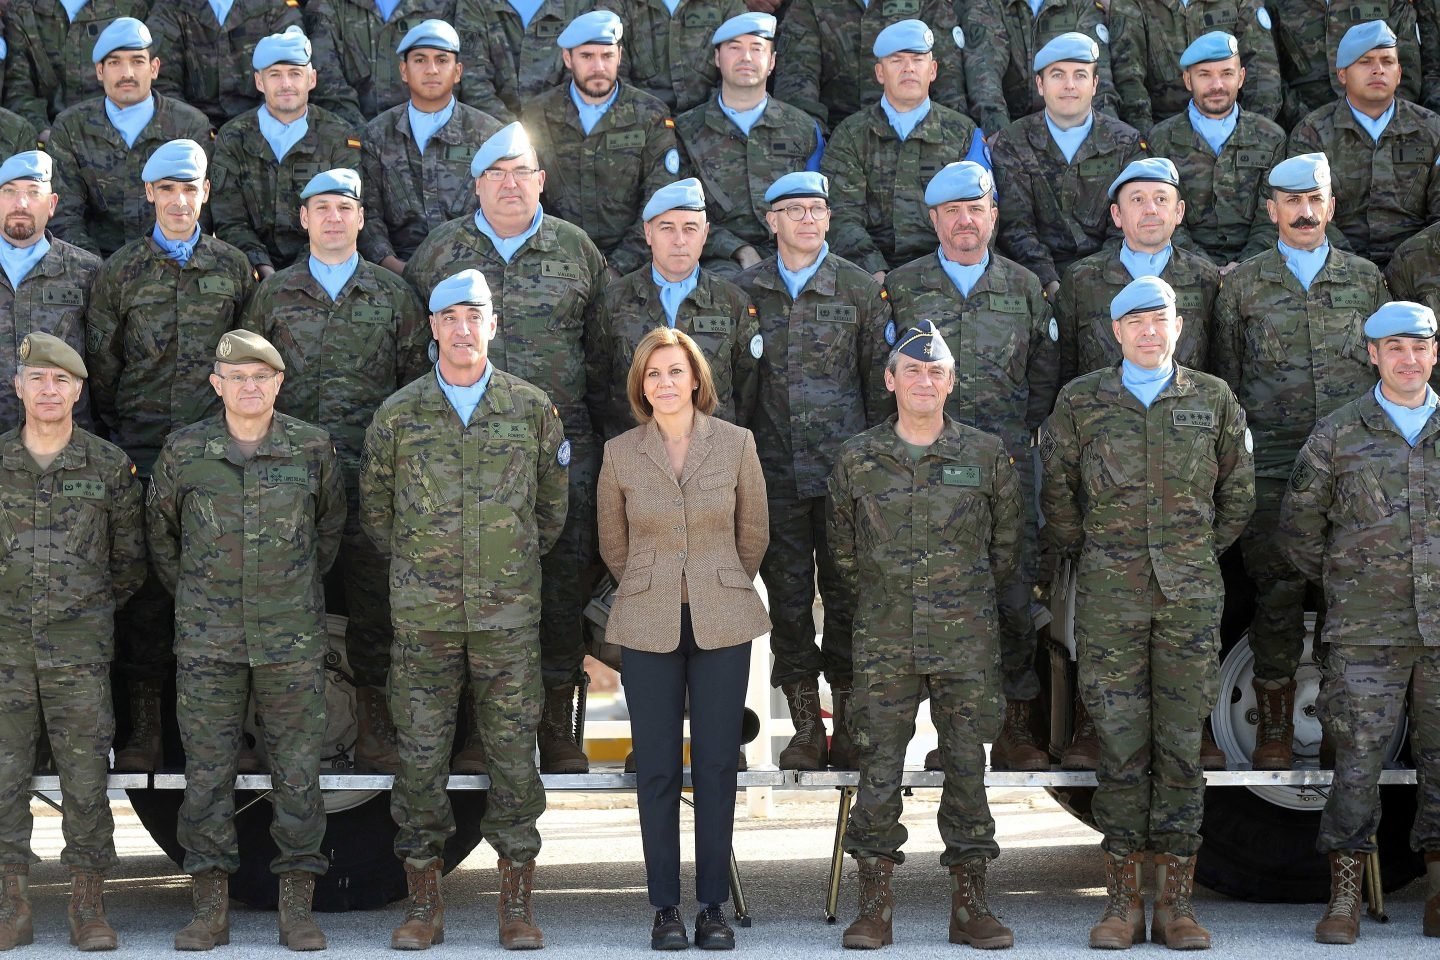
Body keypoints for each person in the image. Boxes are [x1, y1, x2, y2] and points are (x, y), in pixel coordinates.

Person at [1041, 276, 1254, 950]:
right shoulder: (1080, 402)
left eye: (1159, 320)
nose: (1149, 332)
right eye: (1135, 322)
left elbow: (1238, 496)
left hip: (1189, 597)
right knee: (1122, 748)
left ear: (1179, 326)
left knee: (1182, 748)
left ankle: (1179, 908)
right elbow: (1059, 497)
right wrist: (1102, 552)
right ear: (1115, 331)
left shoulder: (1213, 399)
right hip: (1111, 596)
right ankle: (1122, 906)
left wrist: (1190, 552)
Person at [360, 268, 567, 951]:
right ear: (432, 328)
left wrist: (498, 565)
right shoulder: (399, 415)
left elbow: (550, 512)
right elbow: (378, 516)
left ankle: (516, 906)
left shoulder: (531, 408)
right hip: (424, 620)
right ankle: (423, 905)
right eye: (449, 316)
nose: (462, 327)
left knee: (512, 758)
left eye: (474, 315)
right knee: (419, 760)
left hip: (507, 620)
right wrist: (431, 568)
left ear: (492, 325)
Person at [405, 121, 605, 775]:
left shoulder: (576, 249)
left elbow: (601, 354)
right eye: (496, 174)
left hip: (560, 450)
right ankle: (472, 732)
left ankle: (554, 725)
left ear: (540, 181)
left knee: (558, 589)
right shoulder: (443, 251)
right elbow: (414, 349)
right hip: (463, 452)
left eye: (521, 172)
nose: (510, 185)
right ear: (477, 184)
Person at [147, 329, 345, 952]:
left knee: (298, 772)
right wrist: (205, 601)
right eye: (238, 377)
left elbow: (329, 532)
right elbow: (161, 540)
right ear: (218, 384)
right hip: (209, 641)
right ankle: (210, 908)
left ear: (279, 384)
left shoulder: (312, 449)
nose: (250, 386)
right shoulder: (186, 452)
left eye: (262, 376)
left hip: (291, 638)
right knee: (207, 774)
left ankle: (297, 908)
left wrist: (289, 594)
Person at [829, 319, 1022, 950]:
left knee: (969, 768)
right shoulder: (858, 459)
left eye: (935, 371)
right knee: (878, 771)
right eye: (911, 370)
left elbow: (1004, 550)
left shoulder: (986, 455)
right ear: (889, 381)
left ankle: (971, 908)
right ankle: (874, 910)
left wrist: (953, 598)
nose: (923, 380)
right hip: (885, 638)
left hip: (965, 640)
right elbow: (843, 554)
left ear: (951, 382)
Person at [240, 167, 430, 773]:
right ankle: (282, 727)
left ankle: (373, 720)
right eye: (320, 208)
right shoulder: (272, 297)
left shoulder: (392, 295)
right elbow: (248, 385)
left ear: (359, 219)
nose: (332, 218)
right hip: (288, 483)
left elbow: (412, 389)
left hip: (371, 478)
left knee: (375, 606)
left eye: (343, 208)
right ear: (303, 219)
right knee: (291, 607)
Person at [1210, 152, 1389, 769]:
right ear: (1272, 210)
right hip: (1275, 465)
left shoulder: (1366, 281)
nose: (1305, 212)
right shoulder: (1242, 285)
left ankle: (1343, 726)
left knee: (1349, 596)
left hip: (1352, 465)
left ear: (1331, 207)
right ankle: (1275, 729)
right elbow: (1228, 381)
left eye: (1315, 200)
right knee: (1277, 594)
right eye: (1292, 201)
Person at [85, 138, 256, 773]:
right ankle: (146, 727)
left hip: (219, 454)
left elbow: (248, 360)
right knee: (148, 592)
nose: (180, 201)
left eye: (191, 189)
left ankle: (223, 731)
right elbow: (104, 367)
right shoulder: (120, 273)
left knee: (220, 585)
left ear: (205, 194)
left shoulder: (233, 268)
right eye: (168, 190)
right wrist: (128, 434)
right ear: (150, 195)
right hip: (145, 450)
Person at [881, 161, 1058, 773]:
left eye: (976, 209)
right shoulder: (903, 287)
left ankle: (1015, 728)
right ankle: (945, 737)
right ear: (934, 219)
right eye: (952, 211)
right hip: (923, 473)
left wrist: (1013, 443)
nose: (965, 221)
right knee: (931, 601)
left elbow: (1043, 375)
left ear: (993, 216)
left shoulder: (1025, 286)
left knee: (1012, 597)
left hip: (1004, 470)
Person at [596, 325, 768, 950]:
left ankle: (713, 908)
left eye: (675, 371)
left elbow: (754, 534)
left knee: (719, 764)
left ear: (697, 378)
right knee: (658, 768)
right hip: (648, 620)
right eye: (652, 374)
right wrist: (654, 584)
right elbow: (614, 544)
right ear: (641, 386)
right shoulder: (621, 452)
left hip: (723, 618)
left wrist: (716, 581)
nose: (664, 383)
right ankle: (665, 909)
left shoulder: (737, 444)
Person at [1279, 300, 1440, 946]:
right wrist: (1352, 582)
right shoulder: (1338, 434)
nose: (1408, 359)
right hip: (1364, 632)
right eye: (1393, 348)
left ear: (1435, 353)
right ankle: (1344, 892)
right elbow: (1298, 530)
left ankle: (1436, 888)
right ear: (1371, 354)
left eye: (1419, 347)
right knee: (1356, 763)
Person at [734, 171, 889, 771]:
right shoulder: (745, 292)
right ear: (770, 221)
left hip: (844, 480)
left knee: (850, 599)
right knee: (790, 607)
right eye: (791, 210)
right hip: (773, 477)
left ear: (828, 219)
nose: (804, 219)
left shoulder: (856, 290)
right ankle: (804, 726)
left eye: (815, 210)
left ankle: (848, 720)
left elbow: (880, 390)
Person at [0, 332, 145, 953]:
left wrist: (80, 612)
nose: (49, 390)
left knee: (85, 781)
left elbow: (130, 562)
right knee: (3, 778)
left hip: (79, 651)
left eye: (62, 381)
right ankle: (11, 900)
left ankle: (89, 903)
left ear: (78, 391)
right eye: (38, 379)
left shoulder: (108, 466)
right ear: (19, 387)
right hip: (4, 651)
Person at [587, 177, 760, 441]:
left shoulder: (733, 302)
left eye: (690, 228)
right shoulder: (613, 301)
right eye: (667, 228)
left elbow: (746, 392)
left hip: (712, 457)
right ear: (648, 233)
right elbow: (597, 388)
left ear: (705, 234)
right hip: (637, 458)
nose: (679, 240)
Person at [821, 19, 987, 281]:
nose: (908, 68)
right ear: (879, 72)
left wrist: (945, 270)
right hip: (867, 272)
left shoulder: (963, 132)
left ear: (932, 70)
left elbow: (982, 212)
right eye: (897, 60)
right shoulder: (851, 135)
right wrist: (875, 271)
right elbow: (841, 215)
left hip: (948, 269)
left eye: (917, 60)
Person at [522, 10, 678, 282]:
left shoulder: (649, 114)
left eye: (607, 56)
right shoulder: (538, 114)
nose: (598, 67)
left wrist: (618, 266)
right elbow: (527, 195)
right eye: (587, 56)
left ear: (619, 56)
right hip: (556, 262)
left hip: (636, 264)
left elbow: (660, 199)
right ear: (568, 58)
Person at [989, 32, 1145, 297]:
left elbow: (1126, 224)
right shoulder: (1012, 142)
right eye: (1058, 75)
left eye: (1080, 75)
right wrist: (1050, 283)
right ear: (1040, 84)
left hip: (1112, 275)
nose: (1069, 85)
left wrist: (1095, 280)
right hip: (1034, 279)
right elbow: (1017, 227)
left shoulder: (1125, 142)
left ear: (1095, 84)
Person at [675, 12, 823, 278]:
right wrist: (739, 249)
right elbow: (680, 211)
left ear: (772, 62)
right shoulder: (686, 131)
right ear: (717, 58)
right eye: (735, 48)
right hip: (717, 258)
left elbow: (817, 204)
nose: (746, 58)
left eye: (757, 49)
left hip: (794, 253)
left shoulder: (802, 128)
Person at [1285, 20, 1440, 270]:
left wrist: (1406, 265)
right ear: (1342, 74)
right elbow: (1308, 215)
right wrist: (1357, 269)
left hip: (1419, 266)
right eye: (1365, 62)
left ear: (1399, 73)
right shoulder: (1312, 133)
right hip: (1334, 265)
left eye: (1387, 61)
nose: (1378, 70)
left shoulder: (1432, 130)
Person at [210, 26, 361, 277]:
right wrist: (262, 266)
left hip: (323, 269)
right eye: (275, 75)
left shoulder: (338, 136)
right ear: (259, 81)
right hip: (251, 270)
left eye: (295, 73)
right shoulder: (232, 137)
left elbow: (344, 214)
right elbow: (230, 219)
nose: (286, 84)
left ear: (311, 79)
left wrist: (299, 272)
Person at [1053, 157, 1219, 385]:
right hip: (1101, 415)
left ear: (1179, 211)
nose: (1150, 209)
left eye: (1161, 199)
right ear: (1117, 214)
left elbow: (1219, 367)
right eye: (1137, 199)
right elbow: (1064, 369)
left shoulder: (1205, 278)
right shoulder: (1081, 279)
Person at [358, 18, 504, 273]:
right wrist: (398, 269)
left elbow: (503, 212)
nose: (431, 69)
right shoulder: (377, 135)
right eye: (420, 60)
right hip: (398, 271)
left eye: (442, 60)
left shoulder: (488, 133)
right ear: (403, 71)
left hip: (477, 270)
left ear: (458, 71)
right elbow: (369, 217)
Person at [1144, 32, 1287, 271]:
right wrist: (1204, 267)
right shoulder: (1161, 140)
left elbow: (1272, 216)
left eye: (1226, 74)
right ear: (1188, 80)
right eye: (1205, 75)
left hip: (1258, 264)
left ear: (1241, 77)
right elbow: (1164, 218)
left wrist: (1243, 265)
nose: (1217, 85)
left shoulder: (1270, 137)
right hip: (1181, 265)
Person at [0, 150, 101, 431]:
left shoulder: (86, 272)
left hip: (64, 443)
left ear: (52, 203)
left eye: (33, 192)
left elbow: (105, 362)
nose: (21, 203)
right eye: (9, 191)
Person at [146, 0, 360, 129]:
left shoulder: (274, 6)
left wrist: (252, 131)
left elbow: (291, 74)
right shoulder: (170, 7)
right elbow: (162, 81)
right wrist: (196, 128)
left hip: (265, 126)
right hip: (192, 130)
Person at [774, 0, 969, 133]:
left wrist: (952, 135)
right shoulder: (811, 4)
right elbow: (798, 80)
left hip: (918, 134)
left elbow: (946, 77)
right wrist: (813, 138)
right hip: (835, 136)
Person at [1106, 0, 1281, 136]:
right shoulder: (1133, 3)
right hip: (1160, 126)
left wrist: (1250, 132)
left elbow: (1263, 71)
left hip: (1232, 121)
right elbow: (1128, 77)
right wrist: (1149, 139)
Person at [961, 0, 1118, 136]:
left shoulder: (1080, 4)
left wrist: (1105, 134)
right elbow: (985, 77)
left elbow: (1098, 79)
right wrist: (1000, 136)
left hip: (1073, 128)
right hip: (1012, 126)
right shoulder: (989, 3)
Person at [1267, 0, 1432, 127]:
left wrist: (1381, 121)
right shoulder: (1277, 3)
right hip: (1303, 125)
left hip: (1384, 126)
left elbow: (1406, 68)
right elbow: (1269, 72)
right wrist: (1305, 121)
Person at [2, 0, 148, 135]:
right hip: (50, 141)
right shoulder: (22, 10)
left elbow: (150, 82)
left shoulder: (132, 6)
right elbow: (18, 88)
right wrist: (44, 133)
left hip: (122, 137)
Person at [594, 0, 748, 115]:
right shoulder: (618, 4)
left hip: (712, 122)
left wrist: (710, 116)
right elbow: (612, 70)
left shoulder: (725, 3)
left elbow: (741, 61)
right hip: (641, 122)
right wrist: (644, 118)